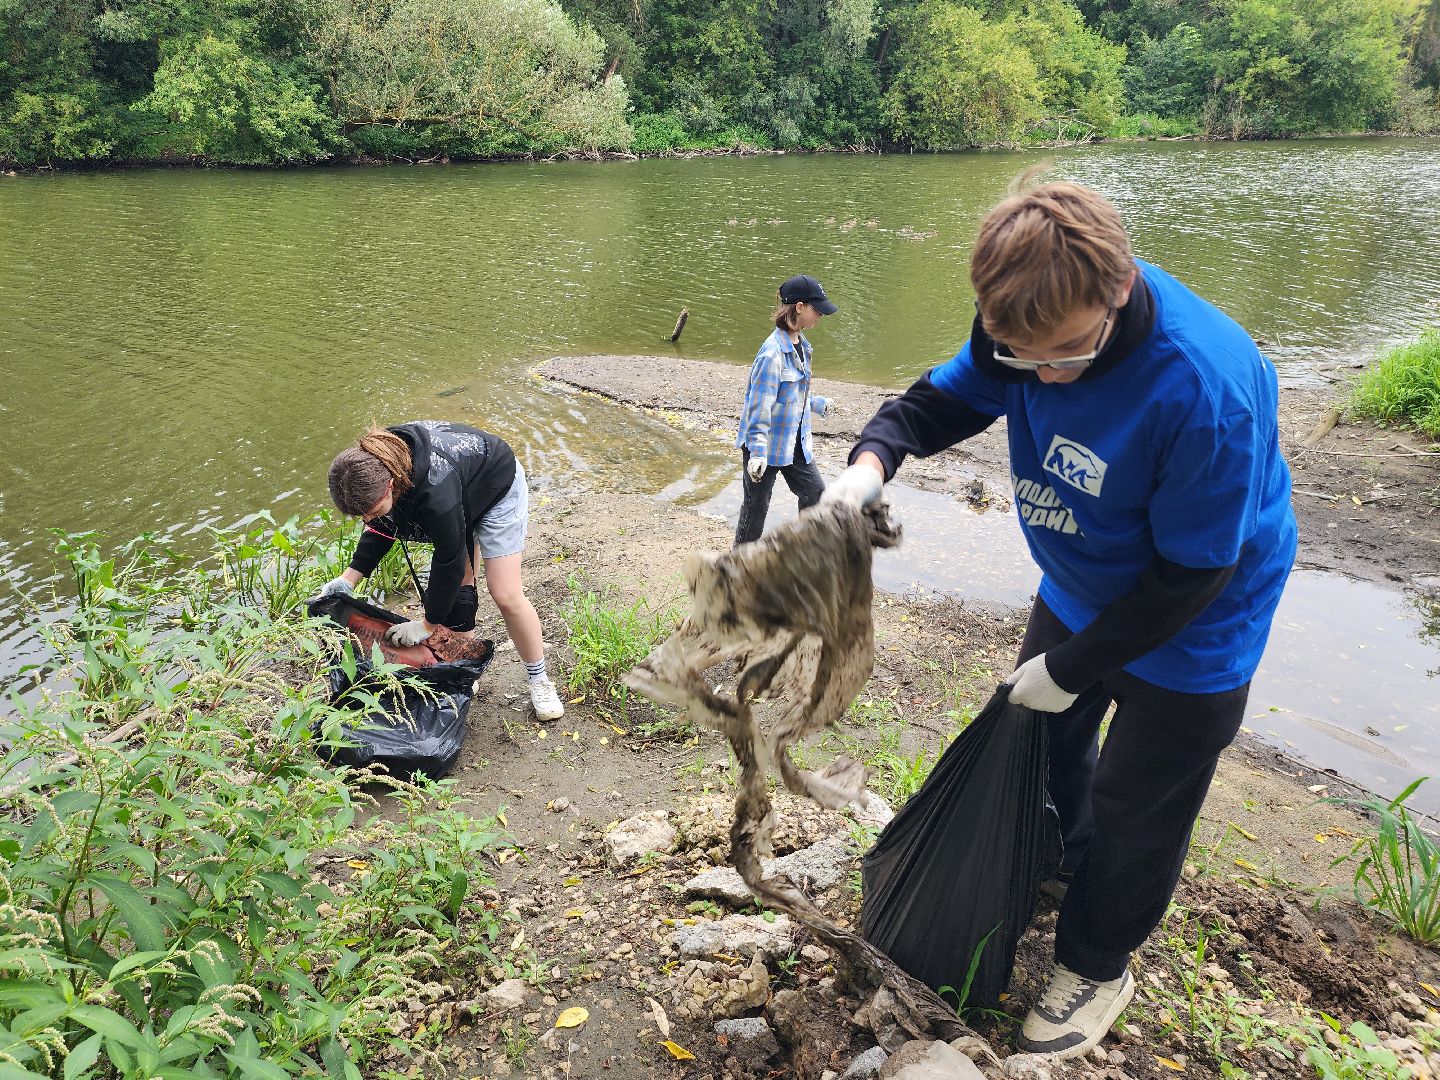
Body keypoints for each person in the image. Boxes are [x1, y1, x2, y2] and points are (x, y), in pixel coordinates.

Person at [824, 172, 1296, 1060]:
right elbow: (940, 401)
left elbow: (1194, 573)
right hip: (1081, 584)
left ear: (1119, 287)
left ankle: (1097, 961)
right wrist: (868, 467)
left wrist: (1073, 665)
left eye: (1069, 354)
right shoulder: (1019, 325)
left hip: (1199, 620)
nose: (1044, 376)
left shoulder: (1205, 388)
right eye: (1022, 355)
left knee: (1137, 804)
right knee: (1050, 745)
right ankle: (1063, 860)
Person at [318, 421, 565, 722]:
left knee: (505, 593)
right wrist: (348, 579)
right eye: (361, 516)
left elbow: (449, 559)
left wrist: (427, 625)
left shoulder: (435, 492)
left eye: (373, 511)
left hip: (494, 486)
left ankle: (539, 679)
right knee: (460, 587)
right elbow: (381, 529)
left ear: (392, 485)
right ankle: (461, 668)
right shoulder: (373, 467)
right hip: (460, 488)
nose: (368, 520)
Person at [733, 274, 836, 545]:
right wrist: (757, 453)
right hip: (764, 446)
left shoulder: (802, 345)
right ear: (799, 307)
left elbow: (791, 394)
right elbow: (759, 407)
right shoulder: (772, 354)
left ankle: (802, 554)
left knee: (815, 494)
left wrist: (817, 403)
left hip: (794, 441)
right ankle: (738, 566)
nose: (820, 315)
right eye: (817, 309)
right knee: (755, 513)